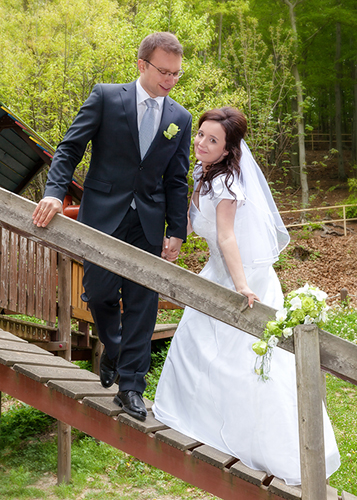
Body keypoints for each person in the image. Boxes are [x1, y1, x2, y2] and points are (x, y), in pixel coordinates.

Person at [152, 107, 340, 485]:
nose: (202, 143)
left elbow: (226, 236)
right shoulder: (203, 173)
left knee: (251, 364)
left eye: (212, 140)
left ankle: (273, 447)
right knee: (195, 344)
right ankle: (200, 421)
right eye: (201, 135)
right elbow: (191, 218)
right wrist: (172, 238)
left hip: (243, 276)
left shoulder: (229, 185)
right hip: (216, 271)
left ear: (227, 149)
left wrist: (240, 285)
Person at [32, 32, 192, 422]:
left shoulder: (180, 119)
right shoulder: (106, 96)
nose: (169, 81)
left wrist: (176, 230)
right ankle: (115, 348)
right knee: (99, 293)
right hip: (103, 214)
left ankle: (132, 387)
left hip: (149, 222)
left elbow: (176, 178)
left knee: (143, 302)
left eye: (176, 75)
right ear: (141, 65)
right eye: (163, 72)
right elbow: (70, 147)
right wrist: (54, 192)